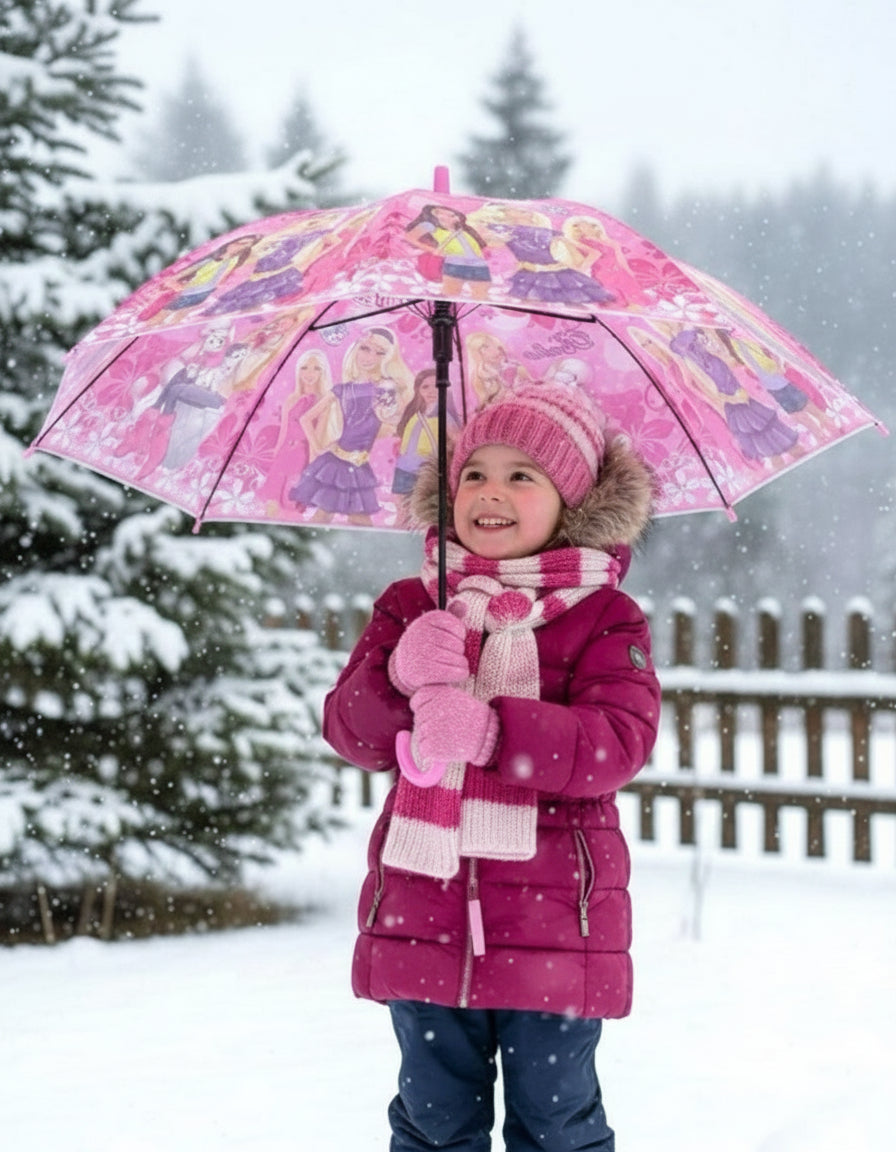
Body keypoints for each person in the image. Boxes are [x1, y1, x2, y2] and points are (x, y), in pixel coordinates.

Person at [323, 383, 660, 1151]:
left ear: (570, 501)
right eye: (474, 473)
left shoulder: (604, 617)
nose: (491, 493)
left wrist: (490, 732)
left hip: (555, 926)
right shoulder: (412, 604)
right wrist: (397, 679)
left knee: (556, 1124)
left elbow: (617, 741)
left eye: (522, 475)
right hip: (424, 912)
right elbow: (352, 733)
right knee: (434, 1124)